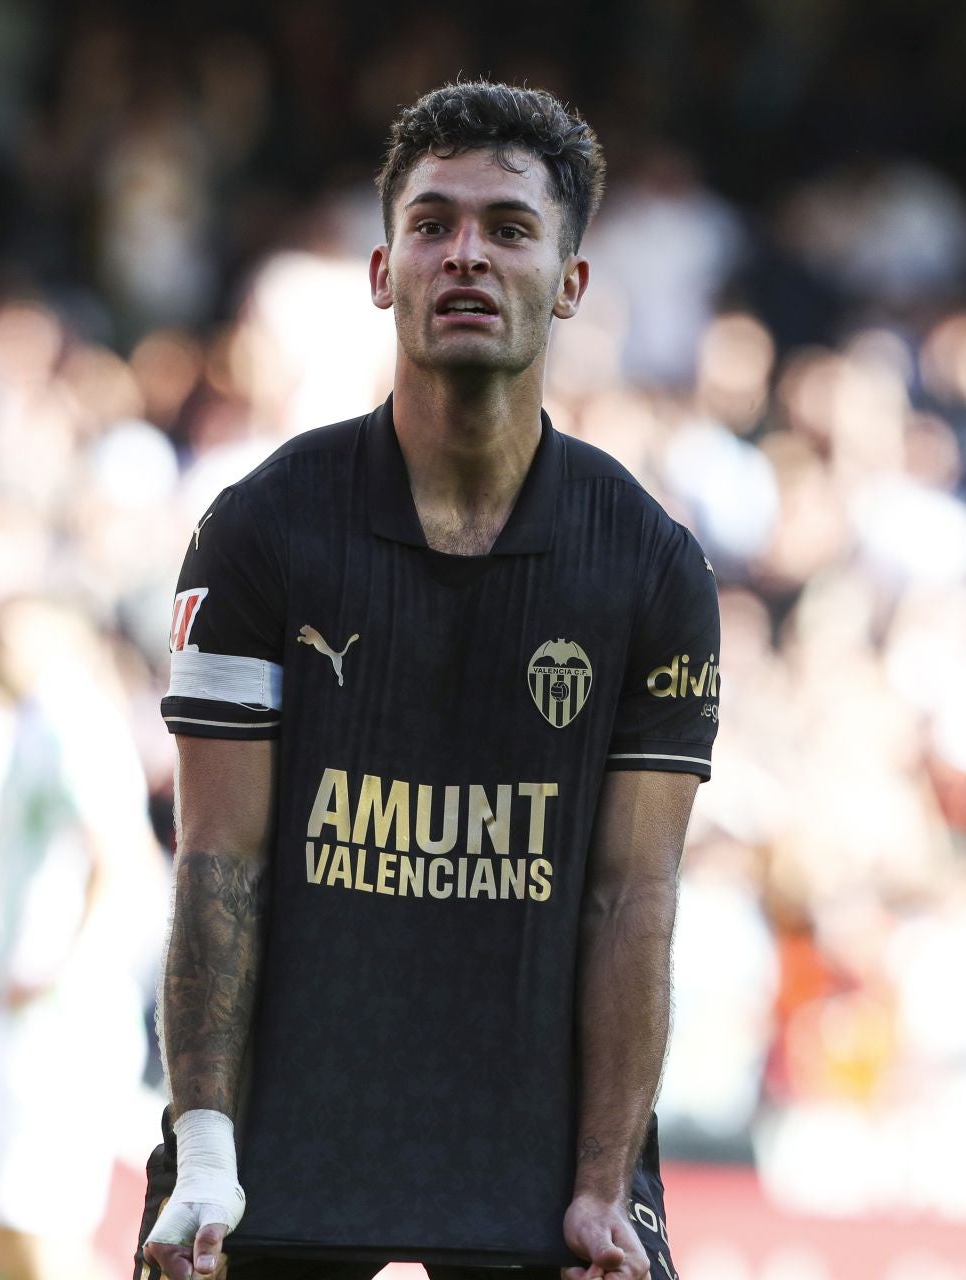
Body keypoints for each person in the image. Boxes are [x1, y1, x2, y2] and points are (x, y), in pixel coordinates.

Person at [136, 82, 720, 1280]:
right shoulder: (259, 532)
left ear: (569, 282)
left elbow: (631, 896)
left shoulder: (652, 565)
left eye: (508, 228)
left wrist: (607, 1184)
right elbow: (218, 859)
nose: (467, 255)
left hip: (539, 1148)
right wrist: (203, 1144)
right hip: (283, 1133)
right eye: (433, 223)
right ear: (380, 268)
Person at [0, 598, 168, 1280]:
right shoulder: (35, 721)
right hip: (23, 1007)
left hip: (58, 1017)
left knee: (41, 1234)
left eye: (12, 627)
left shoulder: (72, 718)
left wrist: (60, 971)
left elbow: (122, 856)